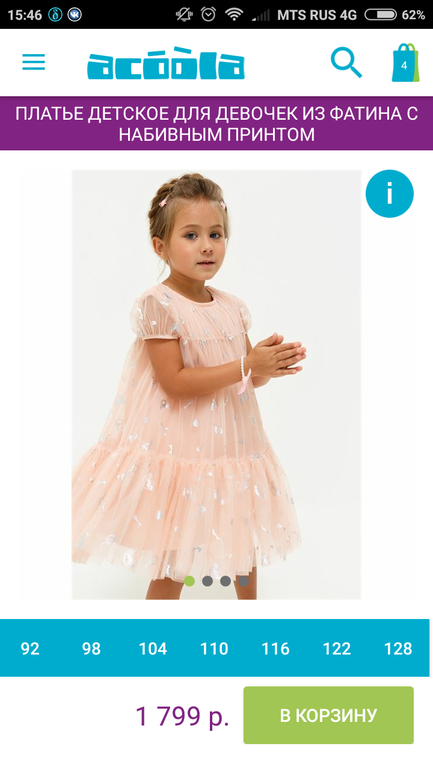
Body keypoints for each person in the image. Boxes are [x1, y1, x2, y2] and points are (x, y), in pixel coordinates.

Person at [72, 173, 306, 600]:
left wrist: (268, 364)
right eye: (191, 235)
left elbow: (247, 378)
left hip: (234, 447)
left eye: (216, 234)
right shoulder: (158, 305)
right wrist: (246, 364)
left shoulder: (232, 307)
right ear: (160, 246)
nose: (207, 246)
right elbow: (174, 383)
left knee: (244, 542)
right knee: (176, 555)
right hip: (184, 449)